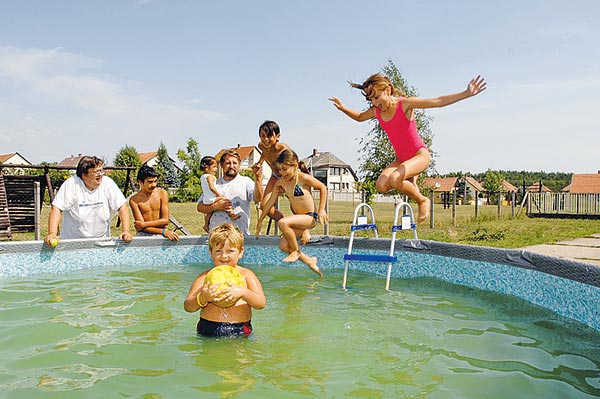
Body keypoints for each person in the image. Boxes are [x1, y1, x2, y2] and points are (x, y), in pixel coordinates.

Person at [329, 74, 486, 223]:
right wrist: (343, 108)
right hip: (401, 160)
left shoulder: (404, 104)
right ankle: (411, 180)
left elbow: (437, 101)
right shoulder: (376, 111)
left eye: (376, 97)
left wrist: (466, 93)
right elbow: (359, 117)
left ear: (388, 90)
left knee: (395, 179)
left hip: (419, 155)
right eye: (371, 100)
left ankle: (422, 200)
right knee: (381, 185)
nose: (375, 103)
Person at [183, 223, 266, 337]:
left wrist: (243, 292)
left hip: (240, 329)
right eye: (218, 251)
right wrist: (202, 298)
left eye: (230, 251)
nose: (224, 256)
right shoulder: (204, 277)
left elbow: (261, 303)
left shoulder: (247, 276)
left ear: (240, 252)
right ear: (210, 253)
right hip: (208, 328)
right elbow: (188, 306)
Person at [255, 149, 328, 277]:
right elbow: (270, 202)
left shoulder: (303, 178)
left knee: (283, 222)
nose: (282, 173)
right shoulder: (281, 182)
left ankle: (296, 251)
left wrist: (321, 209)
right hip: (298, 220)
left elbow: (323, 187)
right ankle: (309, 260)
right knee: (283, 245)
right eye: (279, 170)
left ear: (294, 166)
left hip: (310, 217)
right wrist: (260, 219)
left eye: (284, 169)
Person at [44, 155, 133, 246]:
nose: (100, 174)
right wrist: (52, 233)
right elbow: (56, 208)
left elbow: (122, 206)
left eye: (101, 171)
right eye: (96, 172)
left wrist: (126, 231)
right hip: (73, 243)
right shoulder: (72, 184)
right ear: (84, 175)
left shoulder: (108, 183)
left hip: (101, 242)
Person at [196, 150, 263, 235]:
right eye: (228, 163)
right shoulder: (214, 183)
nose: (231, 166)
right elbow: (200, 207)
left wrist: (258, 178)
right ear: (222, 165)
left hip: (239, 236)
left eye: (234, 163)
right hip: (216, 237)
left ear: (239, 164)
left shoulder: (246, 182)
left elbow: (259, 198)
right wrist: (215, 206)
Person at [128, 164, 179, 241]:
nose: (154, 185)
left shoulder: (162, 193)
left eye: (155, 181)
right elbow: (141, 228)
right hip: (144, 235)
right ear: (140, 182)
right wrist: (162, 231)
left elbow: (165, 220)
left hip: (163, 234)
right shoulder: (134, 200)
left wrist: (144, 224)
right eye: (150, 182)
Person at [200, 156, 240, 233]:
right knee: (225, 201)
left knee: (210, 212)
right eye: (214, 167)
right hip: (211, 198)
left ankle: (206, 224)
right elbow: (212, 187)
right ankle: (232, 214)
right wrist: (219, 195)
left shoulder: (203, 177)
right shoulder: (210, 177)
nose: (216, 169)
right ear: (207, 168)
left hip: (206, 198)